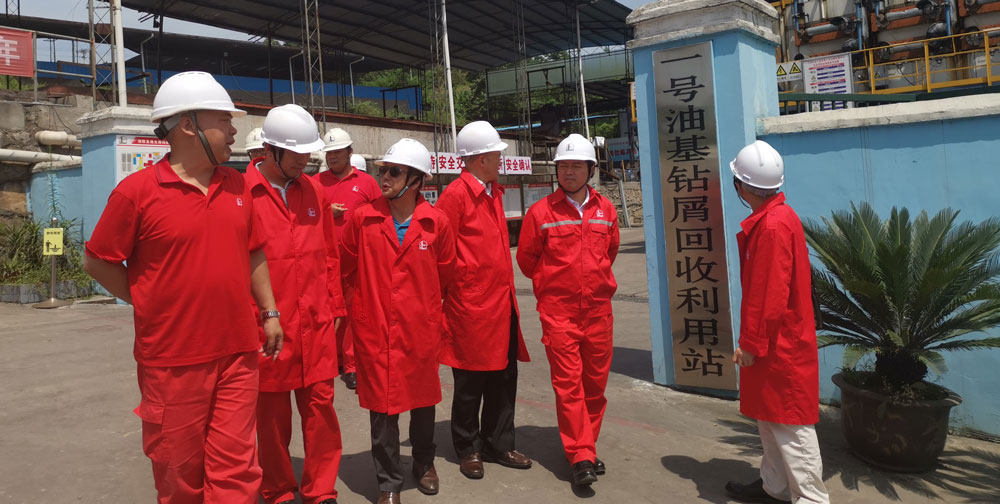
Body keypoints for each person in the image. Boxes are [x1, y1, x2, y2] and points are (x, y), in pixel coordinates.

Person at [83, 71, 283, 504]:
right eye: (224, 120)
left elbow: (253, 251)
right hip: (171, 362)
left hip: (237, 353)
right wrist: (149, 300)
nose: (234, 130)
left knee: (238, 471)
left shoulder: (237, 186)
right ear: (189, 125)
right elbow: (97, 260)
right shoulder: (137, 193)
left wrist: (269, 312)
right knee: (179, 474)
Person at [340, 138, 456, 504]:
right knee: (382, 409)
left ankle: (424, 463)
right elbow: (346, 269)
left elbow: (445, 276)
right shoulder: (362, 218)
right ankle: (388, 481)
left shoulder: (436, 223)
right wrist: (359, 314)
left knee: (423, 402)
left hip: (419, 329)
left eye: (394, 171)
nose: (384, 177)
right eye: (382, 171)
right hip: (374, 329)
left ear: (417, 180)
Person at [246, 104, 346, 504]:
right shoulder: (243, 194)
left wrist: (335, 307)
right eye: (297, 153)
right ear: (270, 150)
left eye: (309, 153)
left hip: (316, 321)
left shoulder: (313, 191)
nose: (305, 161)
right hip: (268, 325)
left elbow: (330, 254)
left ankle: (321, 490)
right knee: (272, 416)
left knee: (321, 409)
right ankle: (277, 489)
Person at [725, 140, 830, 504]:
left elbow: (767, 294)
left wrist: (752, 344)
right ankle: (775, 487)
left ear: (740, 186)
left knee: (790, 425)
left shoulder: (771, 227)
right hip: (777, 337)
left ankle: (811, 499)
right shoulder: (779, 218)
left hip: (779, 343)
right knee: (769, 416)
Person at [515, 133, 619, 487]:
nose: (568, 172)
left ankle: (585, 445)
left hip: (599, 312)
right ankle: (581, 456)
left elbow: (610, 252)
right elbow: (527, 260)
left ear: (591, 169)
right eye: (563, 166)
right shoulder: (541, 212)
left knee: (595, 388)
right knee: (568, 386)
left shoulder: (606, 210)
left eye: (576, 166)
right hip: (559, 313)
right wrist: (555, 282)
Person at [435, 120, 532, 480]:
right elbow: (440, 254)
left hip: (501, 302)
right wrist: (459, 290)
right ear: (480, 159)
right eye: (496, 154)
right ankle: (468, 448)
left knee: (503, 378)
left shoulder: (493, 192)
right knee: (470, 382)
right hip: (471, 307)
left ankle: (498, 443)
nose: (500, 160)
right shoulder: (455, 196)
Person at [315, 127, 381, 390]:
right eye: (329, 153)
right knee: (328, 312)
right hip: (324, 262)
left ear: (350, 152)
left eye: (337, 152)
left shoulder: (367, 183)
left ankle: (351, 365)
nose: (332, 157)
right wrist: (324, 212)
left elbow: (381, 216)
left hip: (356, 260)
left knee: (354, 313)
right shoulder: (314, 183)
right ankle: (334, 360)